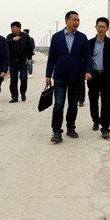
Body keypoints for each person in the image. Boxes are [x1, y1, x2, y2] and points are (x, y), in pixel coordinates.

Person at [45, 11, 92, 143]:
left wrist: (88, 71)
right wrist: (48, 74)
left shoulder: (82, 37)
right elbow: (52, 57)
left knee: (73, 104)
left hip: (76, 76)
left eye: (78, 20)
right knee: (59, 103)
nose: (77, 22)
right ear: (67, 21)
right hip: (60, 75)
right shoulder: (57, 37)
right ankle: (56, 131)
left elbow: (87, 56)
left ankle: (71, 128)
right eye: (74, 20)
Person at [88, 17, 110, 139]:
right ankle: (96, 120)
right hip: (93, 76)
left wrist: (109, 70)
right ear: (96, 27)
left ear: (107, 28)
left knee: (105, 102)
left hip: (106, 76)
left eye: (103, 27)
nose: (101, 29)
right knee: (93, 99)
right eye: (99, 26)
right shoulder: (89, 43)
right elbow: (86, 59)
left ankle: (105, 128)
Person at [6, 22, 33, 103]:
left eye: (14, 27)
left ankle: (23, 92)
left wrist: (28, 57)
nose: (12, 29)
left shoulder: (25, 36)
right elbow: (5, 44)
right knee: (13, 80)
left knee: (24, 78)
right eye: (11, 28)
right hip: (13, 62)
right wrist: (12, 40)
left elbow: (30, 48)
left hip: (22, 61)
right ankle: (14, 97)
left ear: (19, 28)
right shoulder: (9, 36)